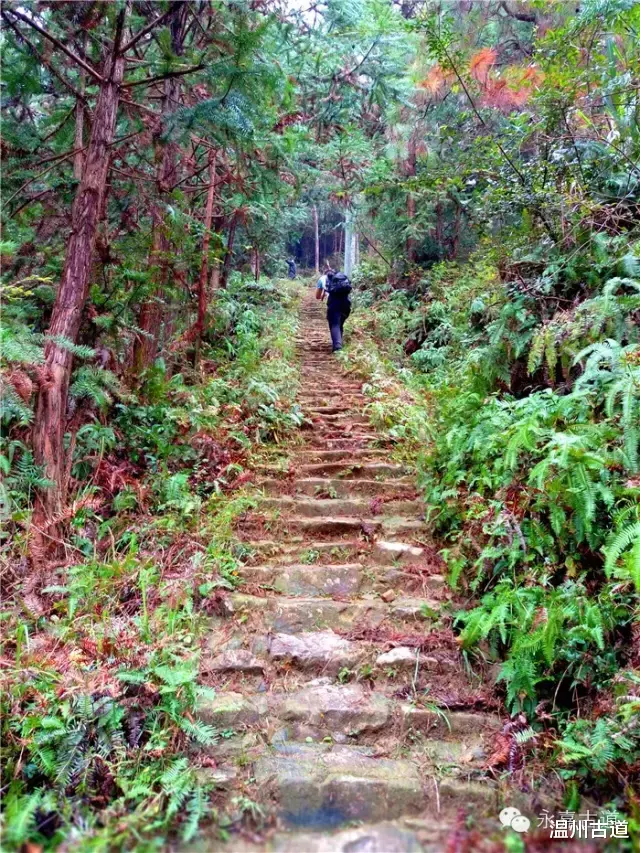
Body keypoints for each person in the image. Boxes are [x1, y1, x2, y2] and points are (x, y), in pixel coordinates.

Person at [316, 266, 352, 352]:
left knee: (334, 324)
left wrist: (324, 294)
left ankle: (337, 346)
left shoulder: (322, 279)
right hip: (346, 304)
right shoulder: (342, 278)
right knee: (340, 324)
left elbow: (317, 296)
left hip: (334, 304)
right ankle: (338, 343)